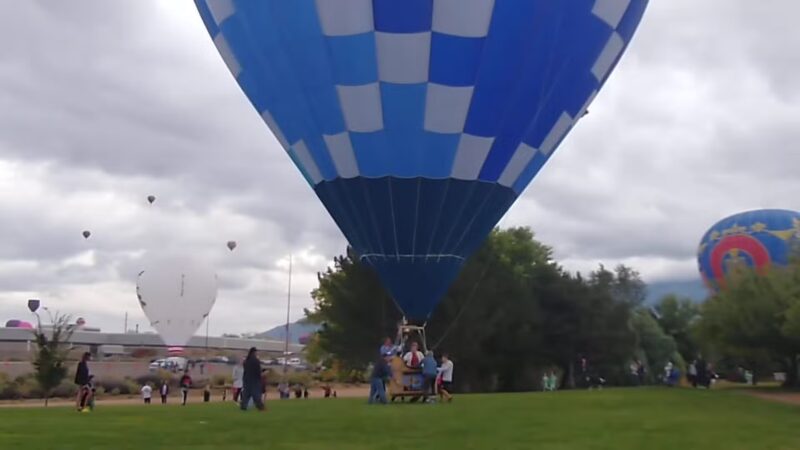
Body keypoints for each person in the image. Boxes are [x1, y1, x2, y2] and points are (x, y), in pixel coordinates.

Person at [240, 347, 265, 411]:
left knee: (246, 395)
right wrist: (261, 376)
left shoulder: (246, 361)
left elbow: (245, 370)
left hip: (246, 380)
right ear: (254, 352)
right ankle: (260, 407)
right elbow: (258, 371)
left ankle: (243, 406)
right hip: (254, 380)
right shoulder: (256, 361)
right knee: (256, 395)